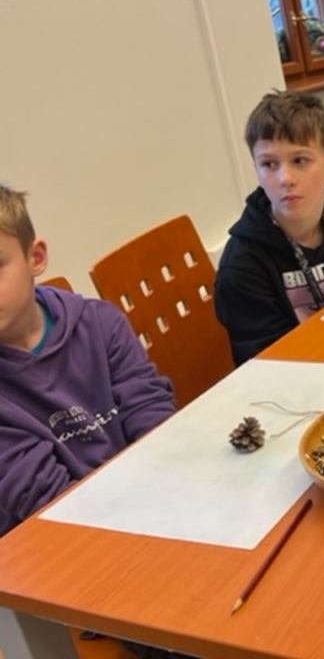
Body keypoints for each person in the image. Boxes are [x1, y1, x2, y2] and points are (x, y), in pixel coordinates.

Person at [0, 185, 176, 537]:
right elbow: (47, 501)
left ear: (35, 258)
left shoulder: (99, 323)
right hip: (51, 540)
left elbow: (154, 420)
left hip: (146, 506)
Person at [215, 91, 324, 366]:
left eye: (300, 161)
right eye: (269, 164)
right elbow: (268, 365)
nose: (285, 179)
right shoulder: (243, 266)